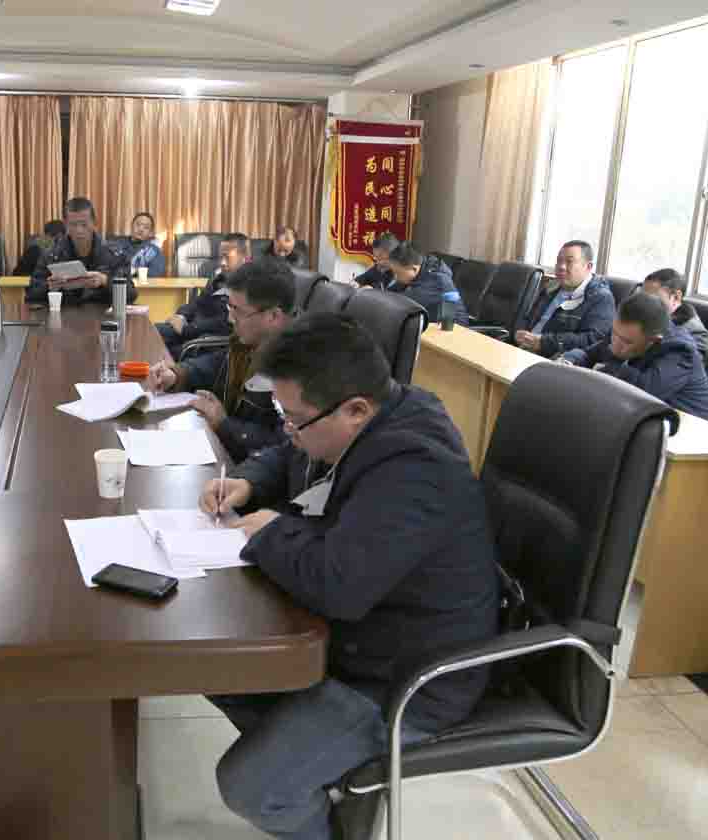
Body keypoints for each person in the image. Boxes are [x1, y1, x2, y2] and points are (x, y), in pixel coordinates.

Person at [198, 313, 498, 839]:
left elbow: (340, 585)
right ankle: (320, 770)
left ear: (356, 410)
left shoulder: (415, 469)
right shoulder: (361, 419)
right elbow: (290, 455)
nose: (288, 429)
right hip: (364, 637)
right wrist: (247, 481)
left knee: (251, 785)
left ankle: (308, 788)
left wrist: (271, 533)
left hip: (406, 676)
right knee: (218, 669)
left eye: (295, 418)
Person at [147, 258, 293, 463]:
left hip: (248, 465)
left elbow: (285, 445)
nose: (230, 319)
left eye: (237, 311)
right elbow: (219, 364)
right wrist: (177, 374)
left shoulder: (297, 366)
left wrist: (224, 424)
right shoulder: (249, 341)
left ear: (273, 316)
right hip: (226, 449)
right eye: (229, 307)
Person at [561, 292, 708, 422]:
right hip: (643, 421)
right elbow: (589, 354)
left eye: (626, 342)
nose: (616, 344)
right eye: (614, 334)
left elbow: (643, 391)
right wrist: (568, 361)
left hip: (689, 432)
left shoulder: (680, 351)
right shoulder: (623, 331)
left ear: (654, 341)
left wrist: (610, 364)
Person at [26, 197, 135, 305]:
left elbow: (131, 294)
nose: (79, 230)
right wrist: (49, 287)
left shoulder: (114, 254)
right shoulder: (51, 254)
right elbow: (31, 294)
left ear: (94, 223)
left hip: (102, 313)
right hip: (64, 313)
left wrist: (105, 280)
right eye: (73, 225)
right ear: (66, 224)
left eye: (84, 224)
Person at [515, 241, 614, 357]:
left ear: (588, 267)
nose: (561, 267)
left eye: (569, 261)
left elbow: (593, 340)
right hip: (523, 350)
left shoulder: (600, 298)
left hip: (554, 360)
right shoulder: (552, 286)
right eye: (559, 261)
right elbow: (529, 319)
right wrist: (520, 334)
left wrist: (544, 343)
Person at [156, 232, 248, 357]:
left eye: (227, 257)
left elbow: (225, 323)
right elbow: (197, 303)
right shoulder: (219, 277)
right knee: (152, 332)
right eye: (220, 257)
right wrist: (181, 316)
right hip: (191, 330)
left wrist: (187, 329)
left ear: (244, 258)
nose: (222, 262)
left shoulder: (247, 286)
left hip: (209, 342)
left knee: (162, 352)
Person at [385, 242, 469, 326]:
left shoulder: (437, 280)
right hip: (433, 324)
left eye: (398, 273)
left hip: (455, 328)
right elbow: (389, 293)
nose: (395, 277)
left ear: (414, 269)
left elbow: (402, 303)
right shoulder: (419, 270)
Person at [641, 268, 708, 363]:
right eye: (643, 298)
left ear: (676, 297)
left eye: (653, 299)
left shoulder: (696, 334)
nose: (645, 304)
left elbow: (678, 370)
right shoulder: (646, 317)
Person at [123, 211, 166, 278]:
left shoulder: (155, 251)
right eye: (138, 225)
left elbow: (156, 274)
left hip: (142, 284)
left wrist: (135, 270)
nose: (141, 229)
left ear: (150, 232)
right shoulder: (117, 244)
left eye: (146, 227)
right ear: (131, 226)